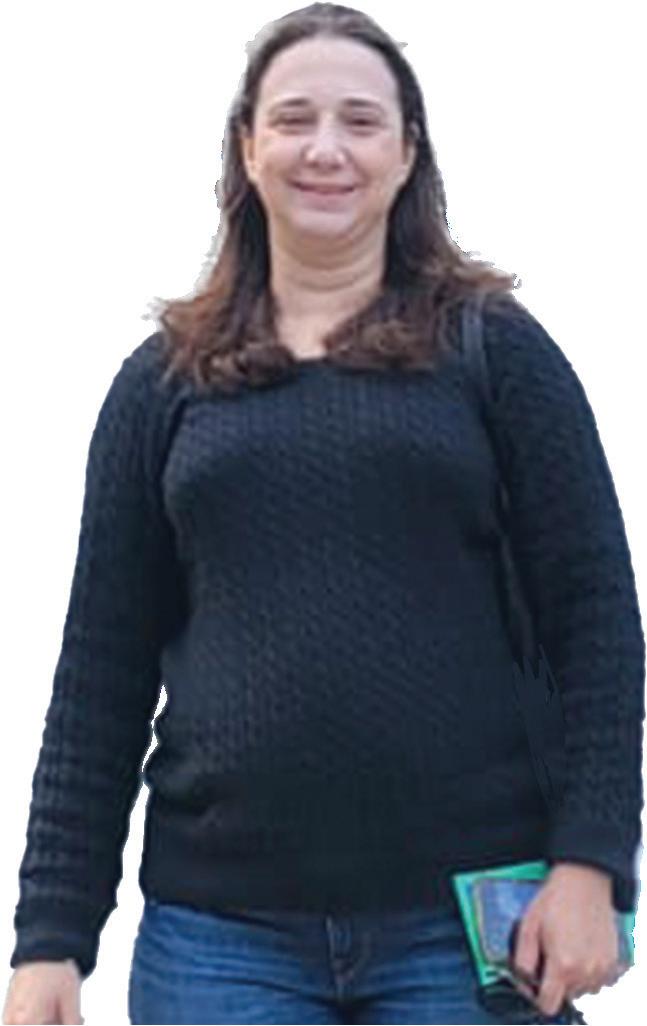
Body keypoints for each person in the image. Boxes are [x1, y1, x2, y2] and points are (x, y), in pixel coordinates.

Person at [4, 3, 643, 1024]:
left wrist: (592, 862)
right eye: (294, 119)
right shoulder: (162, 386)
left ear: (406, 153)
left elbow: (596, 621)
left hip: (464, 928)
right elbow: (99, 674)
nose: (326, 149)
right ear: (246, 148)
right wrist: (50, 939)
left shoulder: (496, 354)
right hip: (219, 944)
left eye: (361, 120)